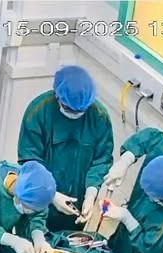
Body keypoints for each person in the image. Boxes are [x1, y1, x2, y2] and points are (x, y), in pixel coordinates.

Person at [18, 65, 114, 231]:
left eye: (80, 111)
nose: (74, 114)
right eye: (69, 108)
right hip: (37, 197)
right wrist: (51, 195)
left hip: (75, 203)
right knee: (34, 239)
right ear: (57, 95)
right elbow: (29, 160)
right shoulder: (38, 112)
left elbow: (101, 160)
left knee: (68, 243)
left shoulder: (99, 117)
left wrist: (91, 194)